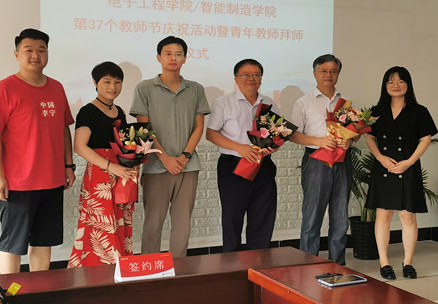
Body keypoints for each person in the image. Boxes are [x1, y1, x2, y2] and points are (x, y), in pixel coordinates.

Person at [0, 28, 75, 274]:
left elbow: (64, 128)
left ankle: (38, 290)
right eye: (29, 50)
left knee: (43, 241)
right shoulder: (5, 89)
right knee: (12, 243)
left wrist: (68, 166)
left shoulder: (56, 87)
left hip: (52, 180)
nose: (36, 55)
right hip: (18, 183)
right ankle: (9, 292)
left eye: (41, 50)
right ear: (17, 55)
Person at [130, 36, 210, 257]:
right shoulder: (145, 88)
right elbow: (143, 127)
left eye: (178, 54)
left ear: (185, 58)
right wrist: (164, 157)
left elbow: (199, 127)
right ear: (159, 57)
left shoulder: (195, 89)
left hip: (188, 166)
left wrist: (185, 156)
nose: (173, 58)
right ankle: (150, 269)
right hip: (156, 165)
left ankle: (179, 269)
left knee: (183, 225)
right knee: (153, 223)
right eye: (167, 53)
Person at [364, 66, 438, 280]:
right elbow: (369, 136)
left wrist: (409, 162)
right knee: (383, 215)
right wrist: (380, 157)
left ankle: (408, 262)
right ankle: (384, 262)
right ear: (385, 85)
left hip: (408, 166)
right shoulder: (376, 111)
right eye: (390, 81)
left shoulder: (419, 111)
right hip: (384, 167)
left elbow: (426, 139)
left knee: (408, 216)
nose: (395, 85)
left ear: (408, 84)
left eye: (400, 81)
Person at [68, 62, 139, 267]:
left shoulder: (120, 111)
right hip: (99, 175)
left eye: (117, 82)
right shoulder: (87, 111)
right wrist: (110, 166)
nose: (112, 87)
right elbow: (79, 146)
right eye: (107, 82)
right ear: (95, 83)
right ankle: (96, 271)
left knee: (120, 222)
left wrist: (134, 163)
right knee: (99, 225)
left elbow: (126, 144)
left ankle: (119, 269)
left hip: (121, 173)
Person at [206, 59, 279, 252]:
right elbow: (211, 134)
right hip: (233, 167)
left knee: (262, 218)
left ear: (261, 79)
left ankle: (259, 262)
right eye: (245, 75)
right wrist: (240, 148)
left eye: (256, 75)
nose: (251, 78)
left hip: (263, 166)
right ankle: (231, 264)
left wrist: (273, 147)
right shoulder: (223, 103)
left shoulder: (270, 103)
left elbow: (277, 133)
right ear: (236, 79)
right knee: (232, 218)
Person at [290, 54, 354, 265]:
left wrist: (349, 140)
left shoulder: (346, 102)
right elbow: (293, 135)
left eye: (333, 71)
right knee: (312, 217)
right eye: (324, 71)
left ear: (338, 74)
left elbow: (354, 132)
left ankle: (338, 264)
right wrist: (319, 141)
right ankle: (308, 264)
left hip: (342, 161)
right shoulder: (303, 102)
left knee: (340, 217)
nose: (328, 75)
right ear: (315, 73)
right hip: (316, 161)